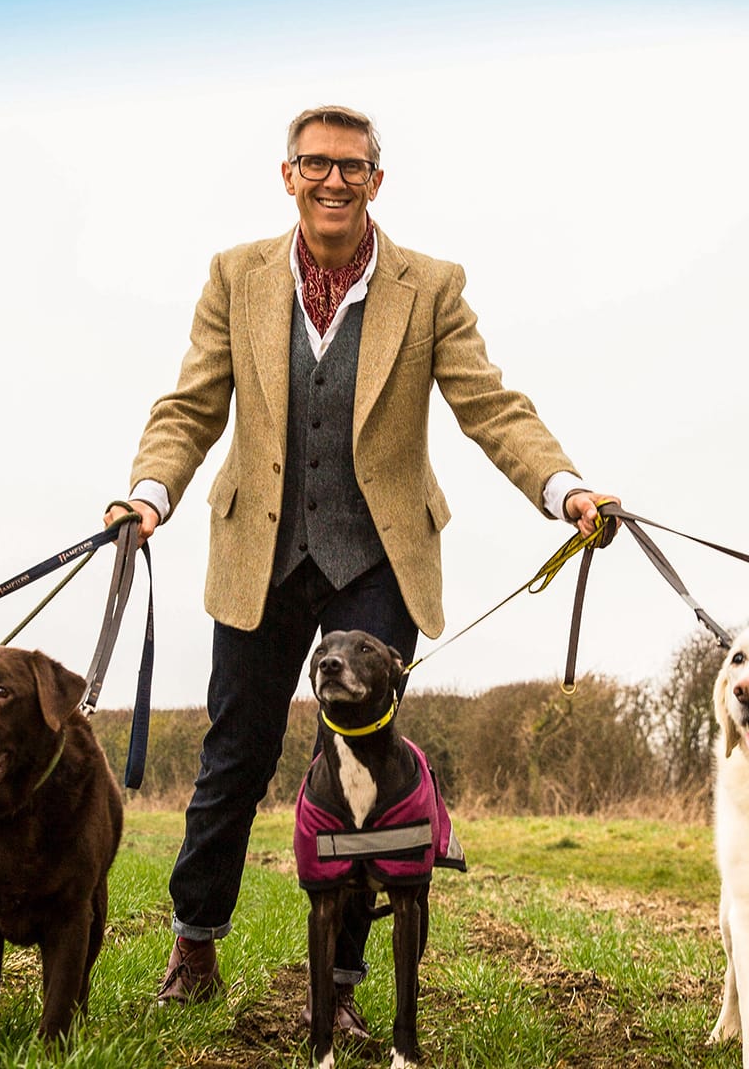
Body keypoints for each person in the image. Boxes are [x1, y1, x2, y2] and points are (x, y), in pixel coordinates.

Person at [106, 105, 615, 1034]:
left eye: (351, 167)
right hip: (259, 551)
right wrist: (149, 492)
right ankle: (195, 942)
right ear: (288, 175)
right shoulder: (235, 276)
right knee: (236, 752)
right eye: (315, 164)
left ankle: (339, 986)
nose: (333, 180)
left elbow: (490, 404)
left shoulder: (431, 287)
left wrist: (565, 489)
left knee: (357, 767)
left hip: (377, 555)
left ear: (377, 181)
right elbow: (192, 404)